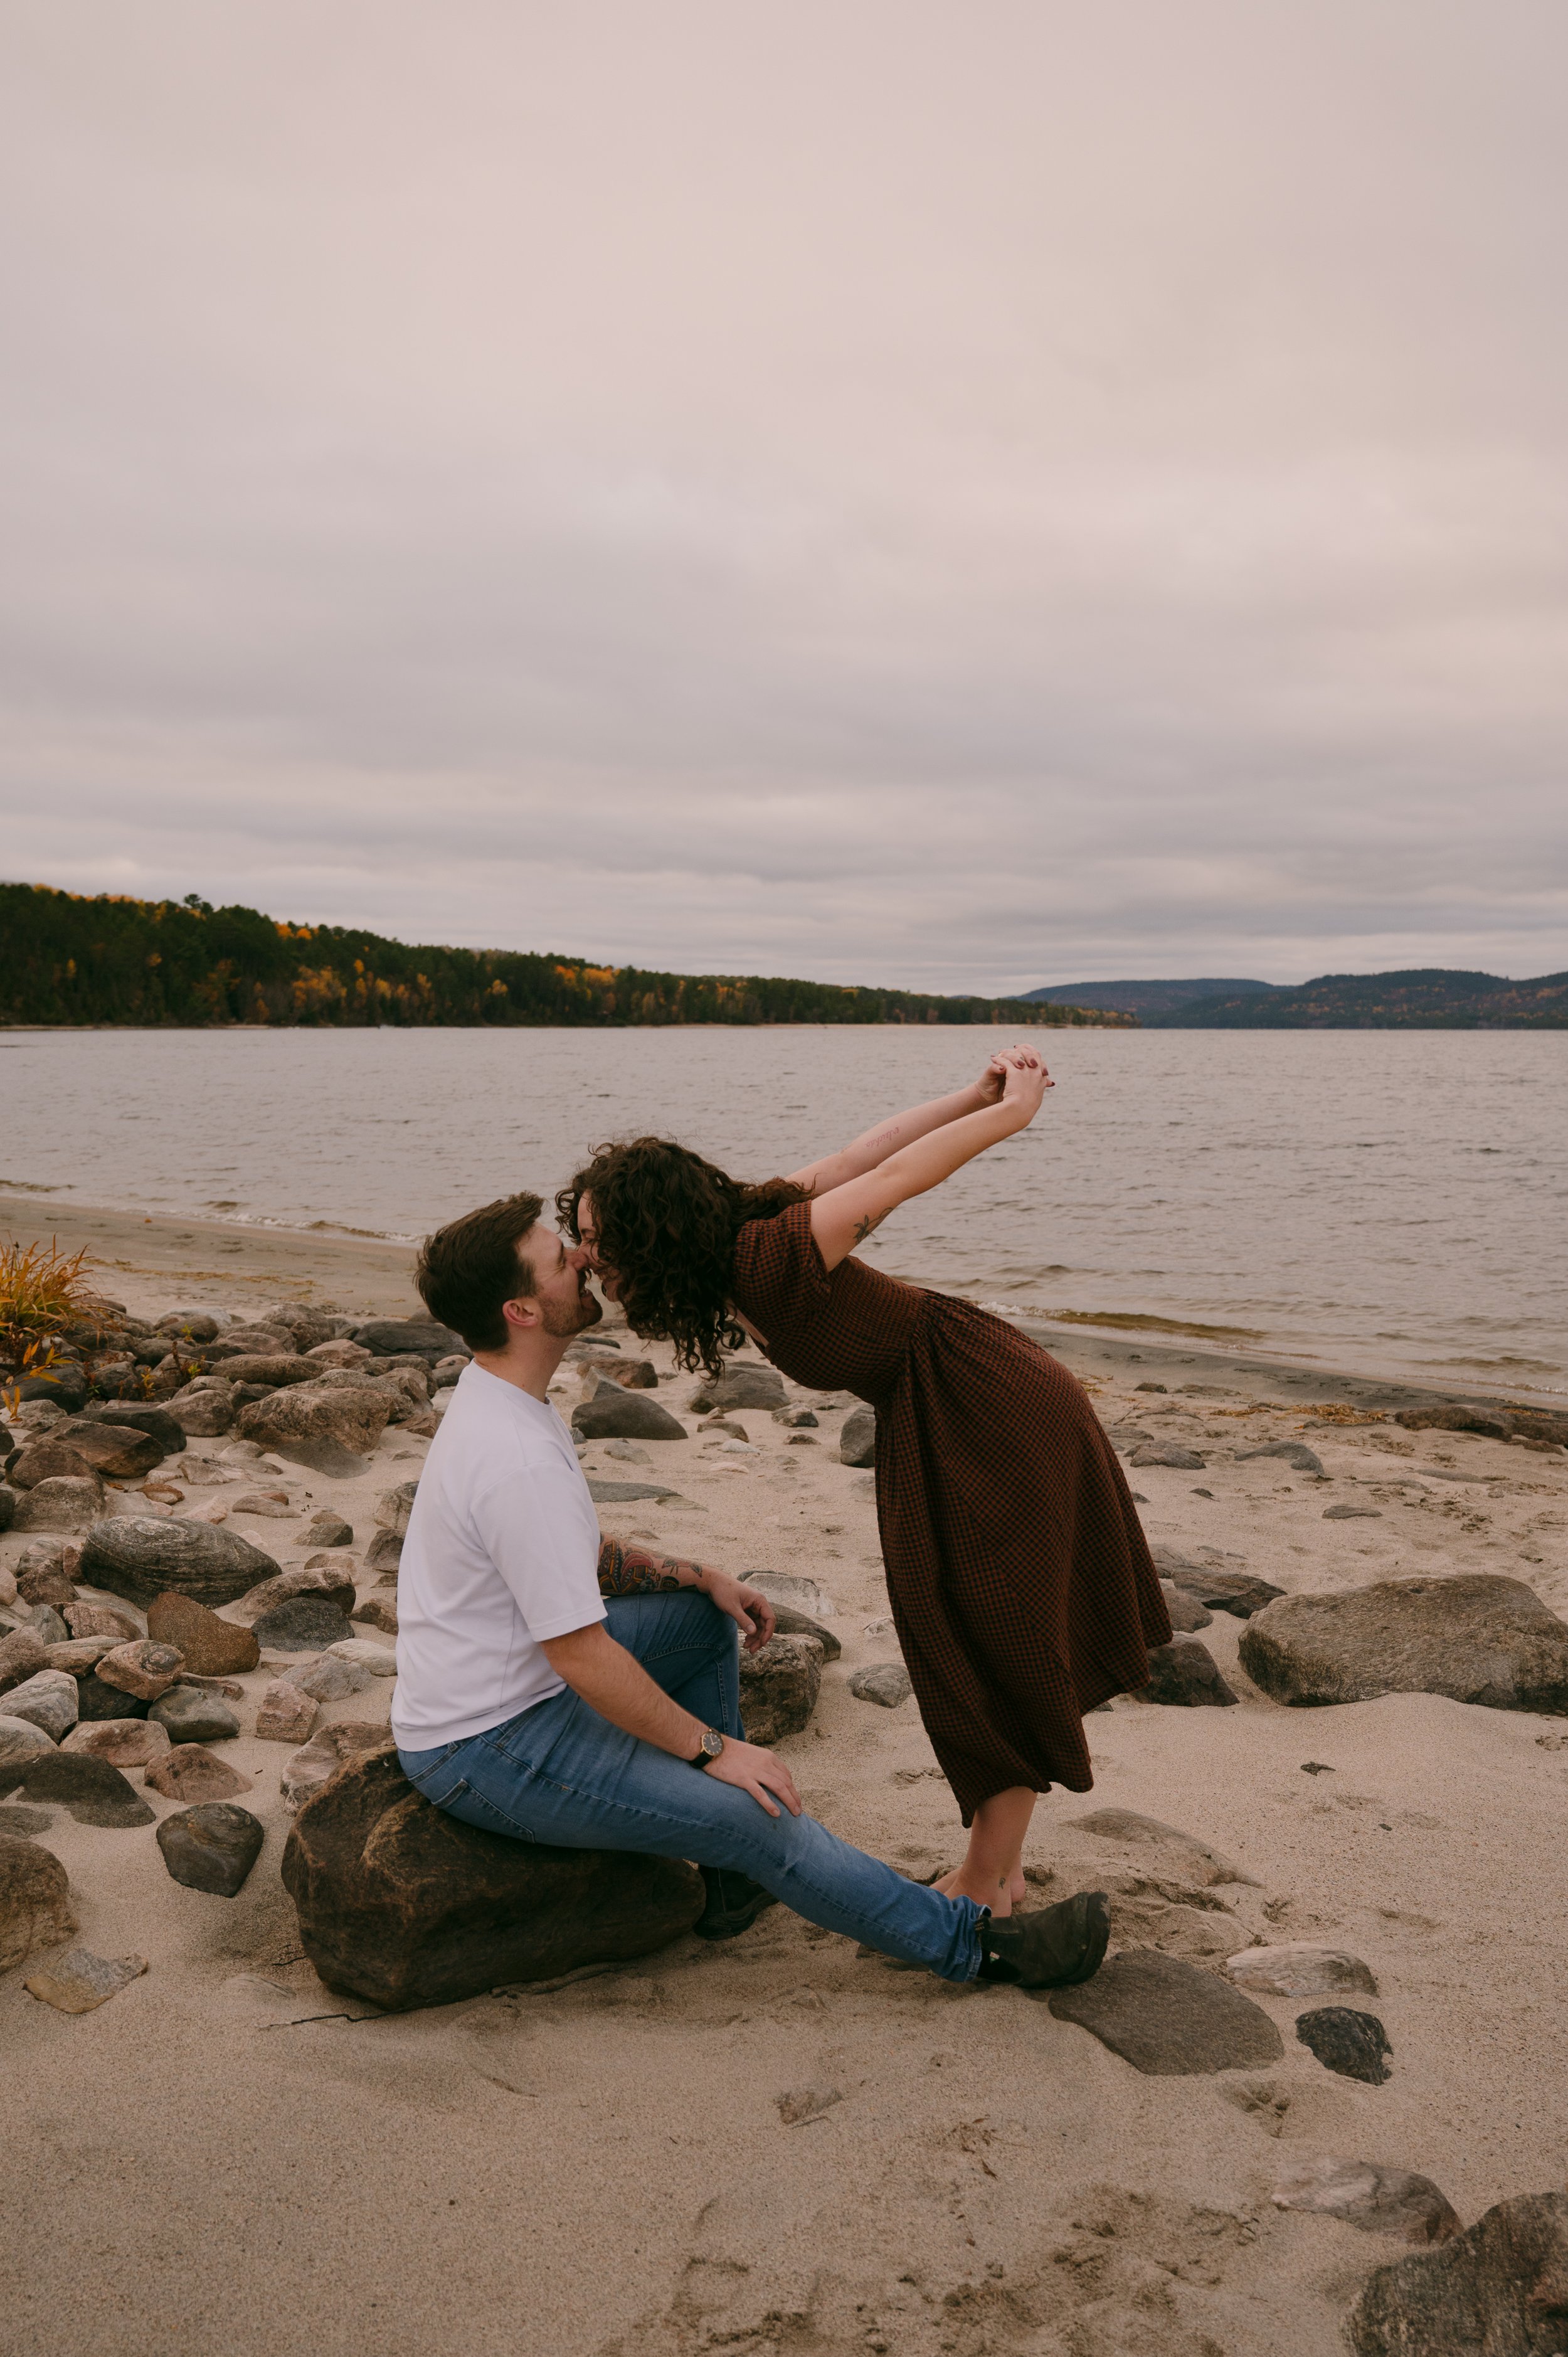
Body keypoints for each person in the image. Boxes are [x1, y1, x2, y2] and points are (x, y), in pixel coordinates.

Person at [391, 1188, 1110, 1990]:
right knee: (754, 1811)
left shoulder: (505, 1401)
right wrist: (715, 1751)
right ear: (521, 1309)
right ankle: (973, 1946)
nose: (585, 1258)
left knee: (700, 1619)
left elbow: (563, 1557)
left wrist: (701, 1577)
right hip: (489, 1744)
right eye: (563, 1260)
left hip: (514, 1683)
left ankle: (732, 1882)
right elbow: (582, 1657)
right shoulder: (511, 1457)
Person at [559, 1046, 1172, 1920]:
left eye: (600, 1237)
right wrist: (969, 1092)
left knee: (990, 1631)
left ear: (656, 1229)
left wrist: (1009, 1116)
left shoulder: (768, 1256)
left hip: (987, 1402)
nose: (590, 1257)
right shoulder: (746, 1235)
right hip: (936, 1408)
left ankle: (989, 1880)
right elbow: (861, 1153)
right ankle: (995, 1868)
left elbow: (896, 1176)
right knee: (957, 1628)